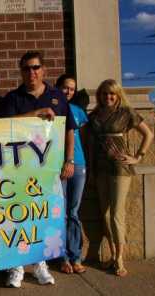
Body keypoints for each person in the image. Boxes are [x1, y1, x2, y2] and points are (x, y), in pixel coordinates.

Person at [0, 51, 78, 288]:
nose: (31, 72)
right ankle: (17, 265)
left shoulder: (57, 97)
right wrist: (35, 114)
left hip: (50, 169)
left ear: (43, 69)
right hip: (19, 169)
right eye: (26, 69)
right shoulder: (13, 97)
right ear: (20, 72)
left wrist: (69, 160)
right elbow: (6, 128)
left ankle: (40, 263)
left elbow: (68, 130)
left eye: (35, 67)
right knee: (18, 215)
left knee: (43, 214)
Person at [88, 79, 153, 277]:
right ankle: (113, 252)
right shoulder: (94, 115)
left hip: (119, 167)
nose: (108, 97)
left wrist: (137, 157)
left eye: (112, 94)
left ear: (117, 95)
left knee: (117, 213)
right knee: (105, 214)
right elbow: (90, 144)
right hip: (100, 168)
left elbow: (148, 134)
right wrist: (91, 169)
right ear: (99, 95)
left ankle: (120, 258)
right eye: (104, 93)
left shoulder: (126, 113)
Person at [55, 74, 88, 274]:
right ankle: (63, 257)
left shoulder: (78, 112)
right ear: (58, 88)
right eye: (65, 87)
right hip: (58, 166)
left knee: (74, 212)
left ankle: (76, 256)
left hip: (79, 165)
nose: (68, 91)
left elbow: (83, 139)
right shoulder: (53, 110)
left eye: (72, 89)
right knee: (62, 213)